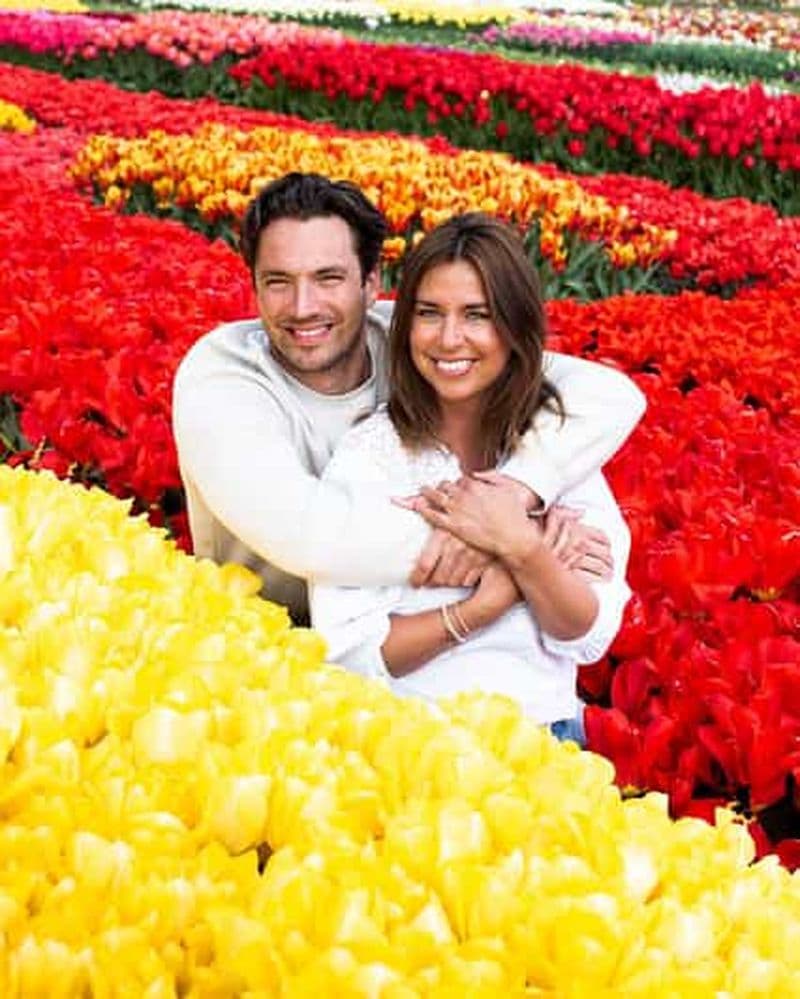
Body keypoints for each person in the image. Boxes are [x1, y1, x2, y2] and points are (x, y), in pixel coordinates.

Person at [173, 173, 644, 626]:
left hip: (406, 646)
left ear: (371, 282)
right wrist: (520, 542)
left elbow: (609, 395)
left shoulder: (417, 336)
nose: (303, 307)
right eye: (278, 281)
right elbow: (310, 537)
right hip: (262, 650)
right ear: (253, 284)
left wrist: (518, 492)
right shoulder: (221, 376)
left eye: (329, 278)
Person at [310, 213, 632, 739]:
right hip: (414, 744)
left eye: (477, 314)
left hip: (547, 741)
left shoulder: (556, 449)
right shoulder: (372, 457)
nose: (449, 338)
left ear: (515, 326)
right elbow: (350, 649)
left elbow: (586, 629)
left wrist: (521, 550)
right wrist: (495, 596)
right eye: (430, 313)